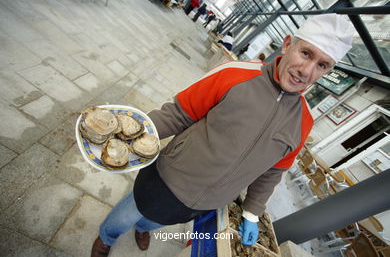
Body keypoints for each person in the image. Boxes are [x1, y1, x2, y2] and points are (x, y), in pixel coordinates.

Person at [91, 14, 355, 257]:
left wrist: (252, 213)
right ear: (287, 45)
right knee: (127, 213)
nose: (307, 71)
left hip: (207, 203)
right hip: (167, 178)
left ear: (327, 72)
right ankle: (107, 237)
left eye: (321, 65)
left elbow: (272, 173)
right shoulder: (235, 74)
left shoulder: (304, 122)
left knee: (157, 220)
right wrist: (125, 136)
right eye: (305, 53)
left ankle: (144, 228)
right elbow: (177, 114)